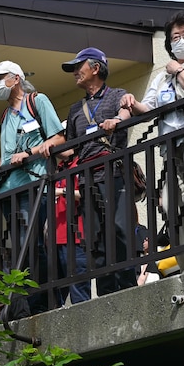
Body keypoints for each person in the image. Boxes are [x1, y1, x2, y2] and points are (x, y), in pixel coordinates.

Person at [123, 12, 184, 270]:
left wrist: (178, 70)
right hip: (170, 146)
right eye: (175, 37)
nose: (181, 41)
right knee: (171, 204)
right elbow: (149, 106)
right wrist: (132, 103)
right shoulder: (162, 77)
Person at [0, 60, 65, 314]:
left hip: (34, 184)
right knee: (19, 246)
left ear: (15, 78)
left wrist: (30, 152)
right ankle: (24, 303)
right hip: (9, 188)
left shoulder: (37, 101)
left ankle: (41, 302)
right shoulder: (5, 116)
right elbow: (8, 154)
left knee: (31, 243)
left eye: (0, 78)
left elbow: (59, 137)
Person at [61, 47, 137, 296]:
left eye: (78, 66)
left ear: (95, 68)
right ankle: (105, 293)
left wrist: (118, 119)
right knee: (95, 238)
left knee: (120, 229)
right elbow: (68, 149)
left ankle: (128, 287)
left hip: (114, 172)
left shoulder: (116, 95)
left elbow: (126, 111)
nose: (74, 72)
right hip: (86, 179)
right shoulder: (74, 110)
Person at [54, 148, 90, 304]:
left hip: (77, 236)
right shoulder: (59, 168)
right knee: (55, 291)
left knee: (78, 287)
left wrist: (61, 191)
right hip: (57, 237)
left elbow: (87, 193)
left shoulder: (81, 163)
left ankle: (84, 324)